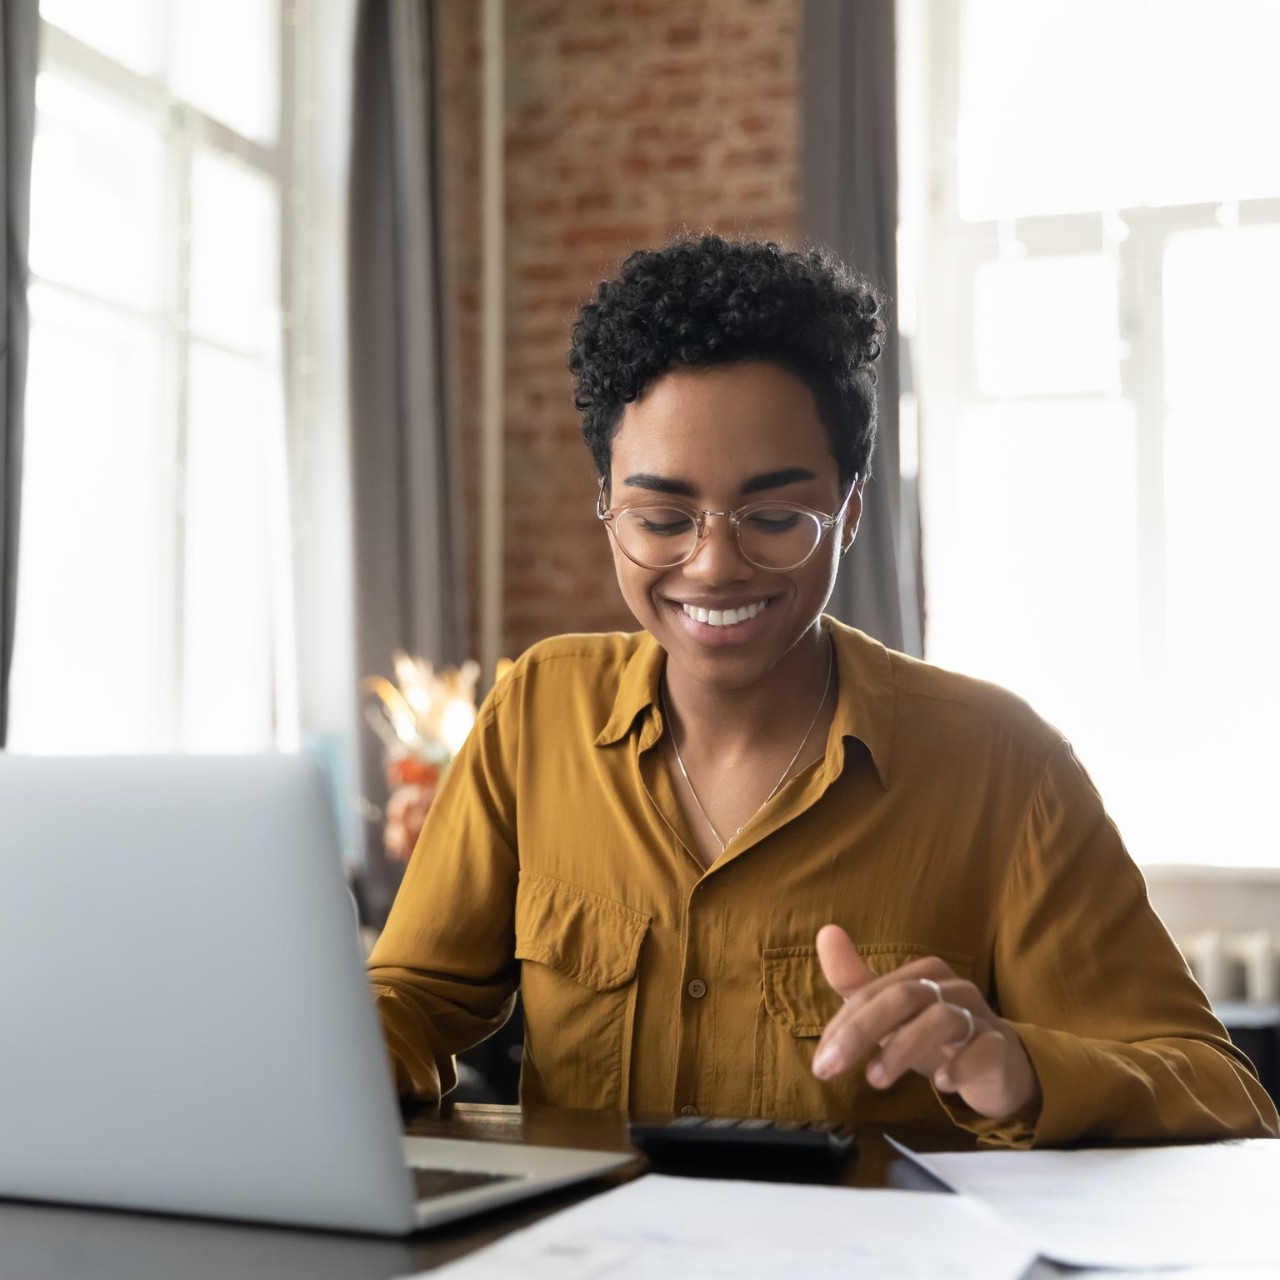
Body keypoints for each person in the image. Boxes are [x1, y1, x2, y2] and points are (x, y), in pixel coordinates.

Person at [368, 234, 1278, 1146]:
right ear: (605, 505)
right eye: (661, 518)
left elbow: (1223, 1096)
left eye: (773, 516)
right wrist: (342, 1043)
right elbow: (411, 998)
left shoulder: (1004, 767)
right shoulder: (537, 713)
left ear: (848, 513)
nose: (714, 565)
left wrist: (1019, 1067)